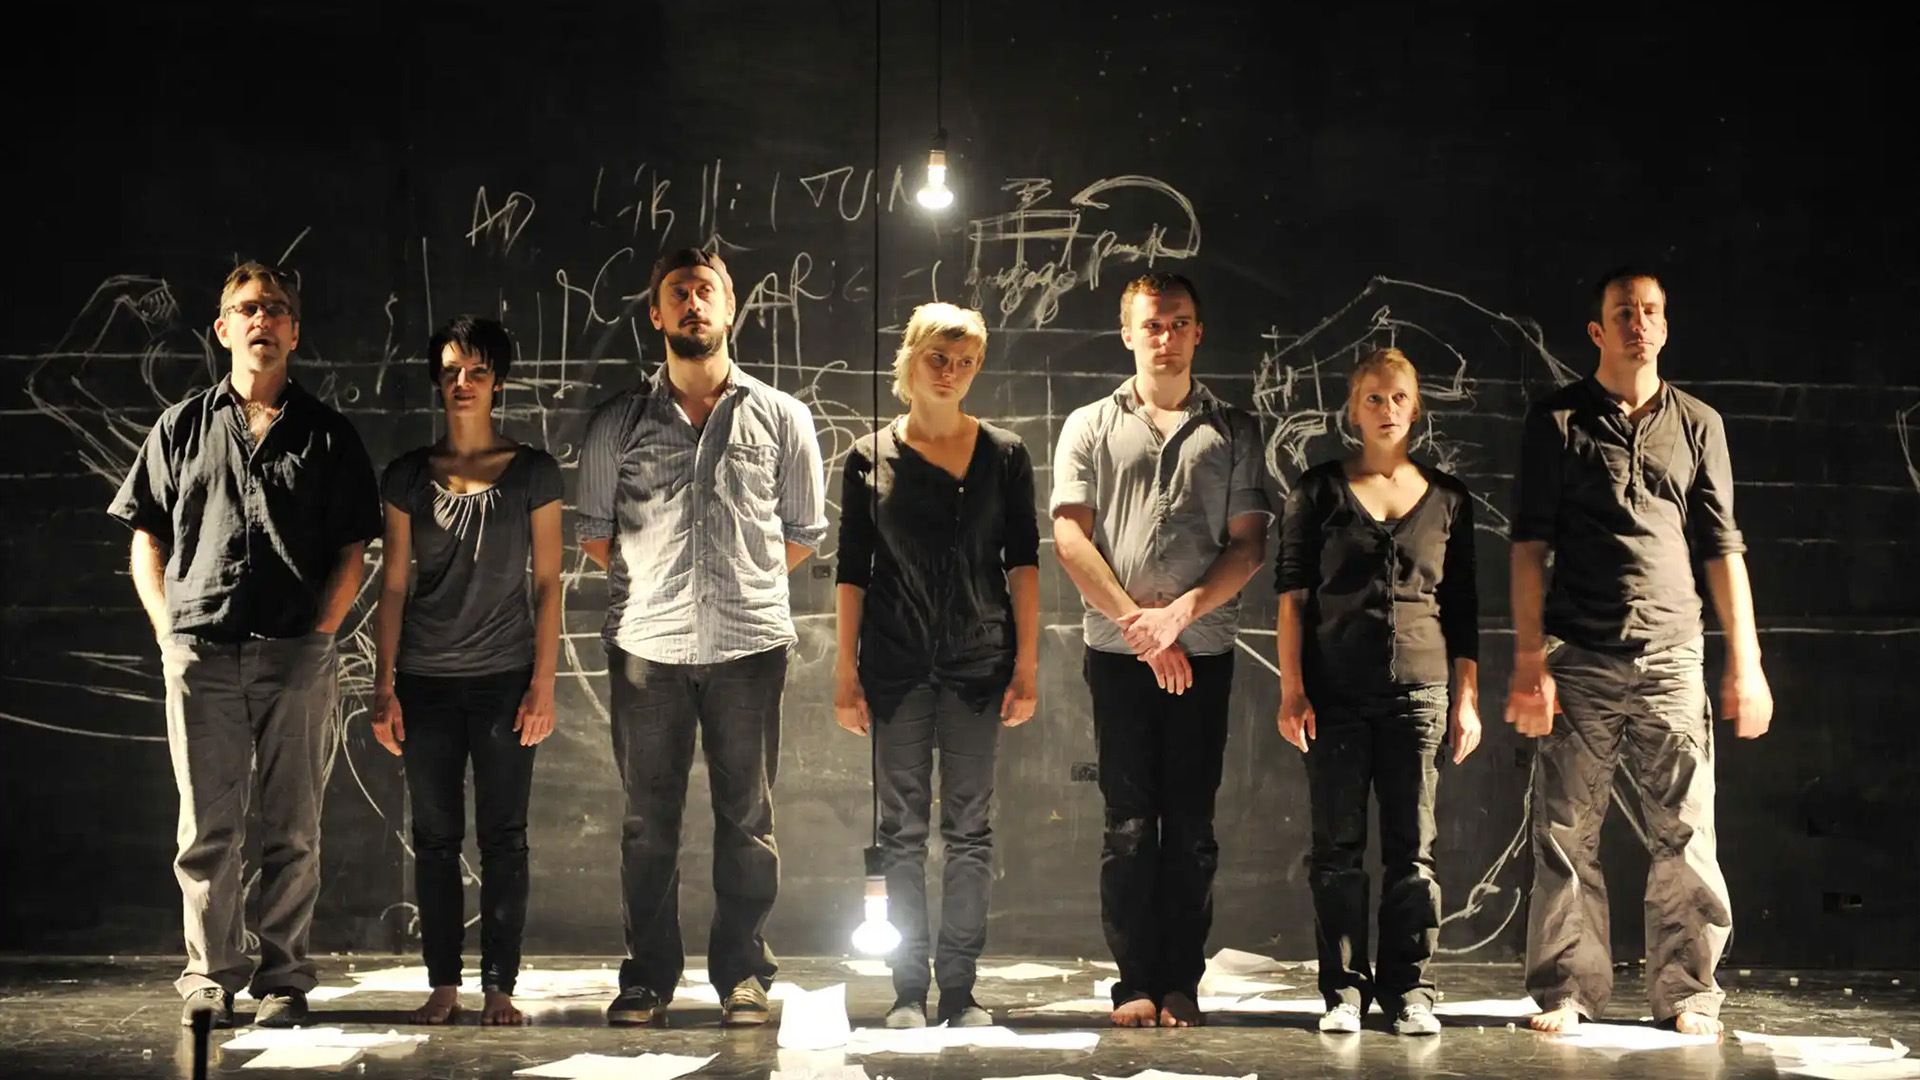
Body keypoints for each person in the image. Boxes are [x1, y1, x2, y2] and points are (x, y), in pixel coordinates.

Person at [107, 263, 381, 1029]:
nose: (263, 319)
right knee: (206, 827)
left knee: (293, 827)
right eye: (247, 308)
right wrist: (168, 626)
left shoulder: (329, 434)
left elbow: (353, 550)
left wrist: (322, 634)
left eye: (278, 309)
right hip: (200, 653)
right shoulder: (179, 427)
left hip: (295, 655)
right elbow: (147, 539)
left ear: (294, 331)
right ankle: (210, 975)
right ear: (223, 330)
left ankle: (283, 980)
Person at [1508, 267, 1774, 1038]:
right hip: (1580, 651)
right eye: (1623, 313)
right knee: (1565, 831)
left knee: (1686, 831)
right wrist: (1530, 659)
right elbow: (1529, 546)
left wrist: (1746, 663)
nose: (1638, 324)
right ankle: (1567, 991)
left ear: (1665, 324)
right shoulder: (1556, 420)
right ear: (1597, 331)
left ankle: (1689, 992)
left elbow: (1724, 550)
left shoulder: (1699, 424)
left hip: (1672, 653)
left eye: (1650, 311)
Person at [576, 248, 827, 1027]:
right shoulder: (619, 422)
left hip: (748, 646)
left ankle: (743, 975)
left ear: (731, 308)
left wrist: (741, 584)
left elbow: (802, 531)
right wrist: (661, 583)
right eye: (677, 294)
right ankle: (647, 976)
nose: (693, 304)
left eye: (706, 292)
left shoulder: (780, 415)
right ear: (655, 313)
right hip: (648, 647)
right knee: (647, 823)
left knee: (747, 819)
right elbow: (593, 533)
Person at [1050, 272, 1273, 1029]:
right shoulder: (1087, 424)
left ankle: (1183, 980)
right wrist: (1141, 631)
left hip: (1203, 652)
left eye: (1179, 322)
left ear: (1198, 332)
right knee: (1128, 824)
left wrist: (1180, 615)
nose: (1165, 336)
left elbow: (1249, 545)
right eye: (1152, 324)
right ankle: (1134, 984)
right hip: (1117, 656)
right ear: (1128, 332)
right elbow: (1071, 537)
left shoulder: (1235, 429)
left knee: (1191, 826)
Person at [833, 302, 1041, 1030]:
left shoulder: (1006, 455)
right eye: (939, 358)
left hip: (980, 663)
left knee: (970, 830)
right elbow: (851, 571)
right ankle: (906, 989)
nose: (952, 373)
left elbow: (1023, 565)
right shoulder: (869, 455)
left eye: (966, 361)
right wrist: (844, 672)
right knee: (898, 831)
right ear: (912, 361)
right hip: (893, 664)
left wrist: (1028, 665)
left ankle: (959, 986)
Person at [1275, 347, 1481, 1036]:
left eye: (1398, 398)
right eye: (1373, 398)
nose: (1386, 410)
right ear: (1352, 409)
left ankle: (1411, 990)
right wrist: (1293, 690)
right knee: (1335, 849)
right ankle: (1343, 990)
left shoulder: (1449, 499)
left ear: (1415, 407)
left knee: (1412, 851)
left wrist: (1466, 698)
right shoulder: (1317, 491)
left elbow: (1464, 611)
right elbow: (1293, 599)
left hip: (1420, 695)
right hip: (1333, 697)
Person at [370, 316, 563, 1026]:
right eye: (451, 371)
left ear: (498, 382)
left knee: (504, 837)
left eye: (476, 372)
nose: (462, 384)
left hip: (505, 677)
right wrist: (383, 685)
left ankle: (499, 986)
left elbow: (549, 584)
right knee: (435, 838)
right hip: (424, 679)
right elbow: (392, 586)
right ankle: (444, 983)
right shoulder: (407, 477)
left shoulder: (534, 472)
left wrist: (544, 682)